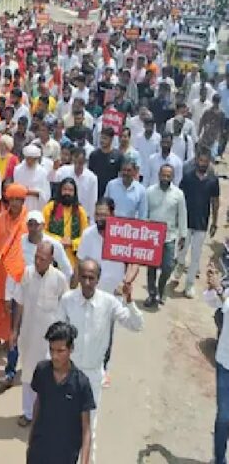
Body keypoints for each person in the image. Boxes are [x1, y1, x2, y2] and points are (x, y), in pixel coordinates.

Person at [55, 258, 144, 463]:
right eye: (83, 277)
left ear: (98, 279)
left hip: (93, 376)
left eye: (91, 278)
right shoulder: (67, 300)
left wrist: (129, 302)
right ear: (78, 276)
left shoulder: (109, 303)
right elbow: (57, 336)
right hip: (69, 374)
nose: (86, 282)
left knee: (89, 428)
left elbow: (137, 325)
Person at [0, 211, 72, 391]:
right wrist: (8, 295)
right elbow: (12, 270)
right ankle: (10, 372)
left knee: (44, 349)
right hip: (23, 293)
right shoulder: (19, 242)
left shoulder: (53, 245)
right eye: (30, 223)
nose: (33, 227)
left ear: (43, 225)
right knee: (18, 337)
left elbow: (68, 270)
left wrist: (60, 289)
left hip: (48, 301)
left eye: (36, 224)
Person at [9, 241, 69, 427]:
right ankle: (28, 413)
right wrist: (14, 330)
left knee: (50, 376)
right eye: (36, 257)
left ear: (51, 259)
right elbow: (19, 302)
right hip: (29, 334)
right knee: (28, 374)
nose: (38, 261)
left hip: (50, 340)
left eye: (43, 259)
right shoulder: (27, 274)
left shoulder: (59, 279)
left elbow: (66, 306)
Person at [26, 321, 95, 464]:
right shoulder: (42, 370)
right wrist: (31, 439)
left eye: (60, 351)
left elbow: (86, 429)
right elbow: (38, 402)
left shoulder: (81, 383)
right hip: (39, 450)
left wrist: (85, 461)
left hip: (65, 455)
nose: (55, 356)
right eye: (52, 350)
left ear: (71, 349)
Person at [0, 183, 28, 343]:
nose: (15, 203)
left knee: (15, 307)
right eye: (13, 199)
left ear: (24, 202)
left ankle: (11, 340)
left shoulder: (28, 222)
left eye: (19, 200)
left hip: (18, 272)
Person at [175, 146, 220, 298]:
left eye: (206, 162)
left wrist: (214, 222)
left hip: (202, 223)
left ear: (209, 163)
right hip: (185, 221)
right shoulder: (187, 176)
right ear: (196, 161)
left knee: (195, 255)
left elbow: (215, 202)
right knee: (181, 251)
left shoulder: (213, 181)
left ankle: (189, 284)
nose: (203, 163)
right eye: (200, 160)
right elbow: (179, 197)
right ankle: (180, 265)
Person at [144, 164, 187, 307]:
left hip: (170, 236)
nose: (165, 178)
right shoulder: (149, 191)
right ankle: (151, 294)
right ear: (159, 175)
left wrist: (183, 235)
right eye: (163, 175)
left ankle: (161, 288)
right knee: (151, 268)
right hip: (152, 236)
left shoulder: (178, 194)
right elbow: (145, 213)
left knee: (168, 266)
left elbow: (182, 215)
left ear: (173, 177)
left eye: (169, 176)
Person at [204, 263, 229, 464]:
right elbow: (213, 303)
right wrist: (213, 286)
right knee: (223, 416)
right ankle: (219, 459)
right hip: (225, 362)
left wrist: (221, 291)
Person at [42, 177, 89, 268]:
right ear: (60, 190)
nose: (67, 193)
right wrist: (58, 240)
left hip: (72, 258)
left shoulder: (79, 211)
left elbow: (85, 236)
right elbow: (42, 231)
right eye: (65, 189)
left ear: (75, 193)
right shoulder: (52, 208)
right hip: (53, 255)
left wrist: (72, 242)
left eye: (70, 190)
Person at [54, 147, 97, 223]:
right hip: (61, 211)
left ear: (84, 162)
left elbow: (93, 201)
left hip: (81, 214)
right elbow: (52, 180)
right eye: (75, 162)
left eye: (80, 163)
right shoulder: (63, 170)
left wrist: (91, 219)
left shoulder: (92, 178)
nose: (77, 165)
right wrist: (54, 169)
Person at [87, 127, 123, 199]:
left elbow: (121, 175)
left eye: (105, 138)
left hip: (111, 192)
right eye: (101, 138)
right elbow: (89, 173)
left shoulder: (118, 156)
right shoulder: (94, 155)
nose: (102, 141)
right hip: (96, 191)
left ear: (111, 139)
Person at [13, 145, 50, 212]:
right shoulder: (18, 169)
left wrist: (32, 192)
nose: (29, 161)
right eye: (28, 159)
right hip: (21, 203)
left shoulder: (42, 172)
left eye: (32, 159)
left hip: (36, 205)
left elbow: (46, 193)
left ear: (36, 159)